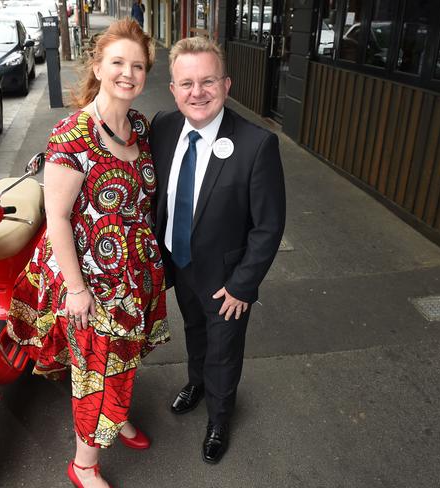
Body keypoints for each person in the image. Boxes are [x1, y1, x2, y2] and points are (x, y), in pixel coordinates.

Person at [7, 19, 167, 488]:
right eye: (117, 62)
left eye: (138, 66)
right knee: (95, 369)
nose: (128, 73)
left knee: (125, 355)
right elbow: (57, 217)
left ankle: (114, 421)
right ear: (97, 66)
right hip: (92, 279)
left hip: (134, 271)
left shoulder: (138, 125)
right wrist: (76, 290)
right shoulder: (72, 135)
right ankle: (84, 465)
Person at [150, 36, 286, 464]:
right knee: (194, 332)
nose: (197, 92)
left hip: (228, 280)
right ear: (172, 89)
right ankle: (197, 382)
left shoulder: (256, 145)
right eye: (186, 83)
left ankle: (219, 419)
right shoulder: (164, 126)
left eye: (208, 81)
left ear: (226, 84)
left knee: (224, 350)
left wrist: (243, 287)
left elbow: (268, 226)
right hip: (181, 263)